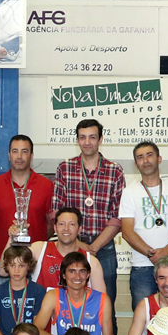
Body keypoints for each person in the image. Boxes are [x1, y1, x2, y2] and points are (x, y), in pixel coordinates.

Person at [52, 120, 127, 307]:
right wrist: (78, 243)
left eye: (92, 137)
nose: (87, 142)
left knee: (106, 304)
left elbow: (117, 217)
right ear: (77, 140)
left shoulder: (114, 170)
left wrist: (92, 248)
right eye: (83, 137)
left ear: (100, 139)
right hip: (71, 245)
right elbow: (57, 212)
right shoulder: (65, 168)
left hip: (104, 248)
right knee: (67, 303)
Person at [121, 141, 168, 303]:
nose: (145, 160)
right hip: (142, 266)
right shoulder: (129, 192)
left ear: (159, 159)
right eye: (140, 157)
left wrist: (167, 250)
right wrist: (150, 254)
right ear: (136, 164)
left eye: (149, 155)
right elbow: (127, 232)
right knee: (143, 318)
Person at [33, 252, 115, 335]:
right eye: (72, 271)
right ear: (64, 275)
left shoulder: (102, 300)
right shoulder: (53, 296)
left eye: (82, 271)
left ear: (88, 275)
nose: (77, 277)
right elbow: (36, 331)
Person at [0, 135, 55, 252]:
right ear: (9, 155)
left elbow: (51, 224)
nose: (19, 156)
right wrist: (9, 237)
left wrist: (36, 240)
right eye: (15, 151)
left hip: (35, 257)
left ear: (31, 156)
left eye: (24, 151)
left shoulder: (46, 185)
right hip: (4, 256)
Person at [0, 246, 50, 335]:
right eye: (12, 265)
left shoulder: (38, 291)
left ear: (29, 267)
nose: (16, 270)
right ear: (6, 266)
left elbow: (38, 326)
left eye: (21, 266)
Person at [29, 208, 108, 294]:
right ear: (55, 228)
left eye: (72, 224)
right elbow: (13, 260)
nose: (66, 228)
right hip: (42, 307)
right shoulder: (38, 249)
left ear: (79, 229)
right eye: (62, 224)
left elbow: (102, 301)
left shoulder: (91, 262)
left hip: (78, 307)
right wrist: (13, 237)